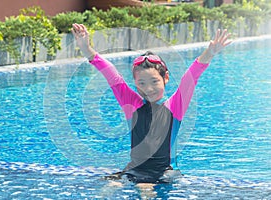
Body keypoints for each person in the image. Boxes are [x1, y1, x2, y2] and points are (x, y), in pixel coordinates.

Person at [71, 23, 231, 184]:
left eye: (154, 81)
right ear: (134, 83)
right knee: (107, 187)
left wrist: (209, 53)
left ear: (165, 78)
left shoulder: (175, 106)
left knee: (145, 189)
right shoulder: (131, 104)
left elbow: (190, 78)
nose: (149, 89)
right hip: (135, 170)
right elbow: (111, 75)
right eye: (142, 83)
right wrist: (86, 49)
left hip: (165, 173)